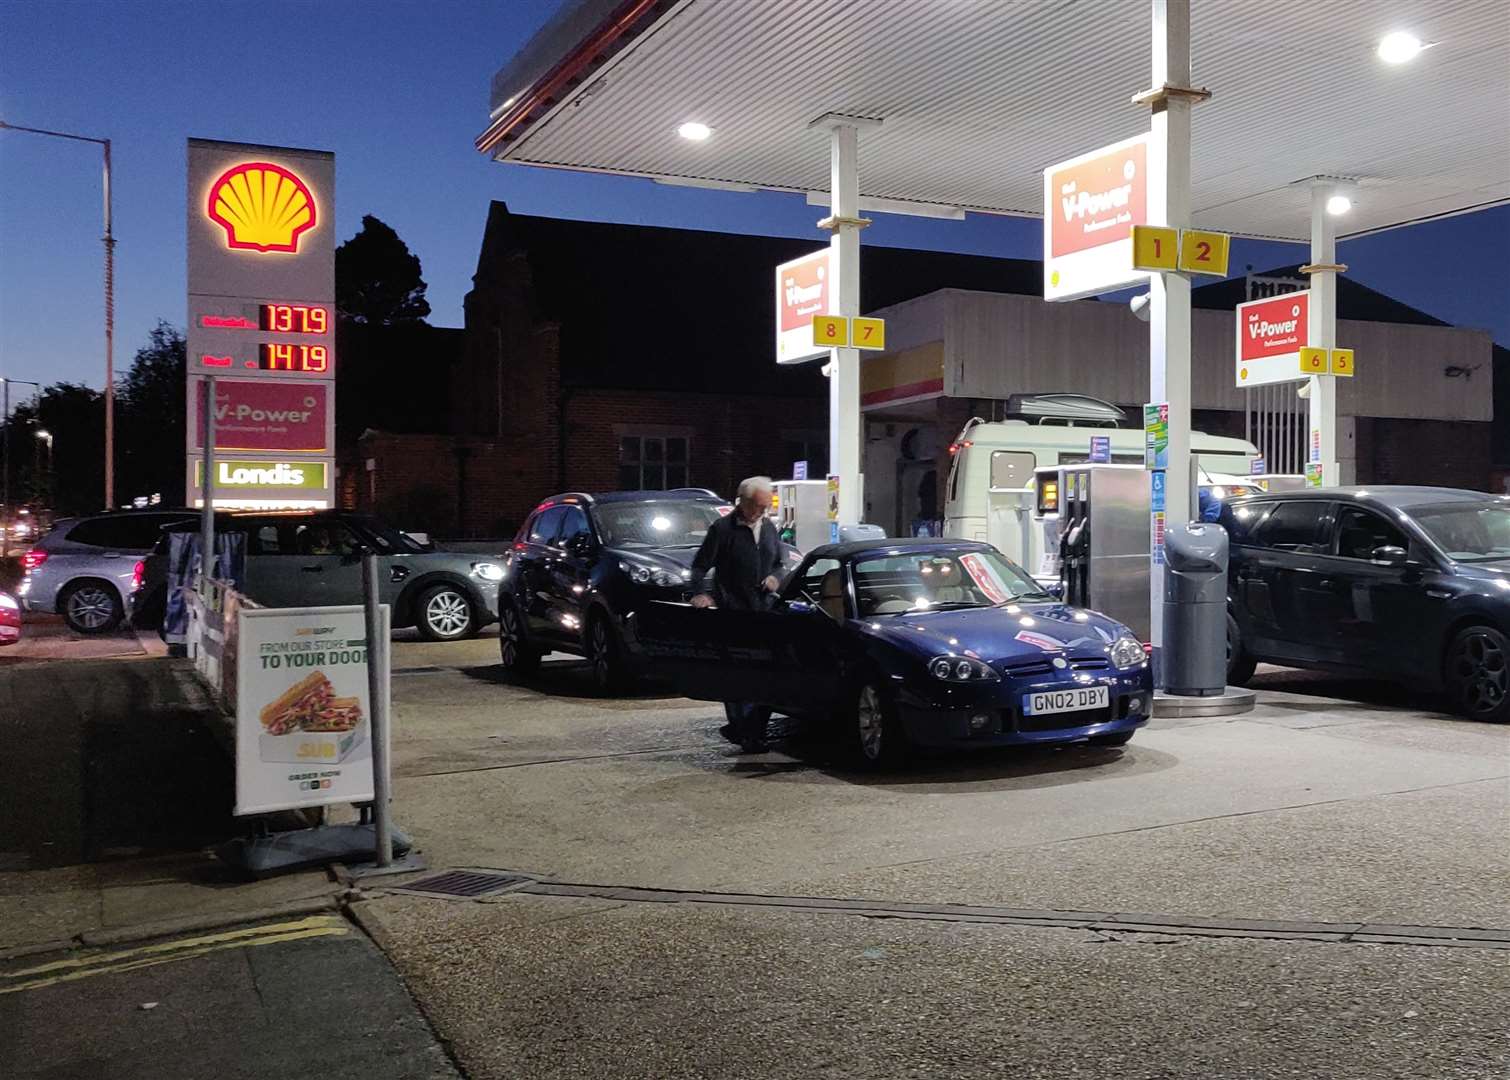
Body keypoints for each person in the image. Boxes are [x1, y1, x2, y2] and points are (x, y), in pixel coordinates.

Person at [690, 476, 782, 751]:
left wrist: (775, 578)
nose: (762, 512)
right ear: (742, 502)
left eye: (766, 507)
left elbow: (778, 563)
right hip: (734, 613)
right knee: (738, 676)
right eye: (758, 506)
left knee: (765, 676)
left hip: (763, 614)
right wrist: (700, 594)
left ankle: (752, 731)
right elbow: (699, 566)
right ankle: (744, 731)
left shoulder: (768, 528)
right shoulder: (722, 529)